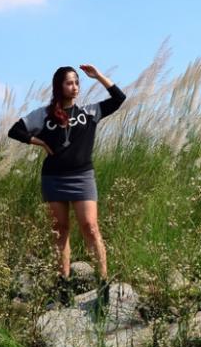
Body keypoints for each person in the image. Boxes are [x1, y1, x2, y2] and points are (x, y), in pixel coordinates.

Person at [7, 64, 126, 304]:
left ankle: (103, 283)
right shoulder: (44, 114)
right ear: (59, 87)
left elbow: (119, 98)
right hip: (54, 178)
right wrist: (40, 143)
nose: (74, 87)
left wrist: (98, 76)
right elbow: (15, 131)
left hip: (82, 177)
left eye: (76, 82)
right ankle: (64, 285)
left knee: (90, 226)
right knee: (60, 230)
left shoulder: (90, 112)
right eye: (69, 83)